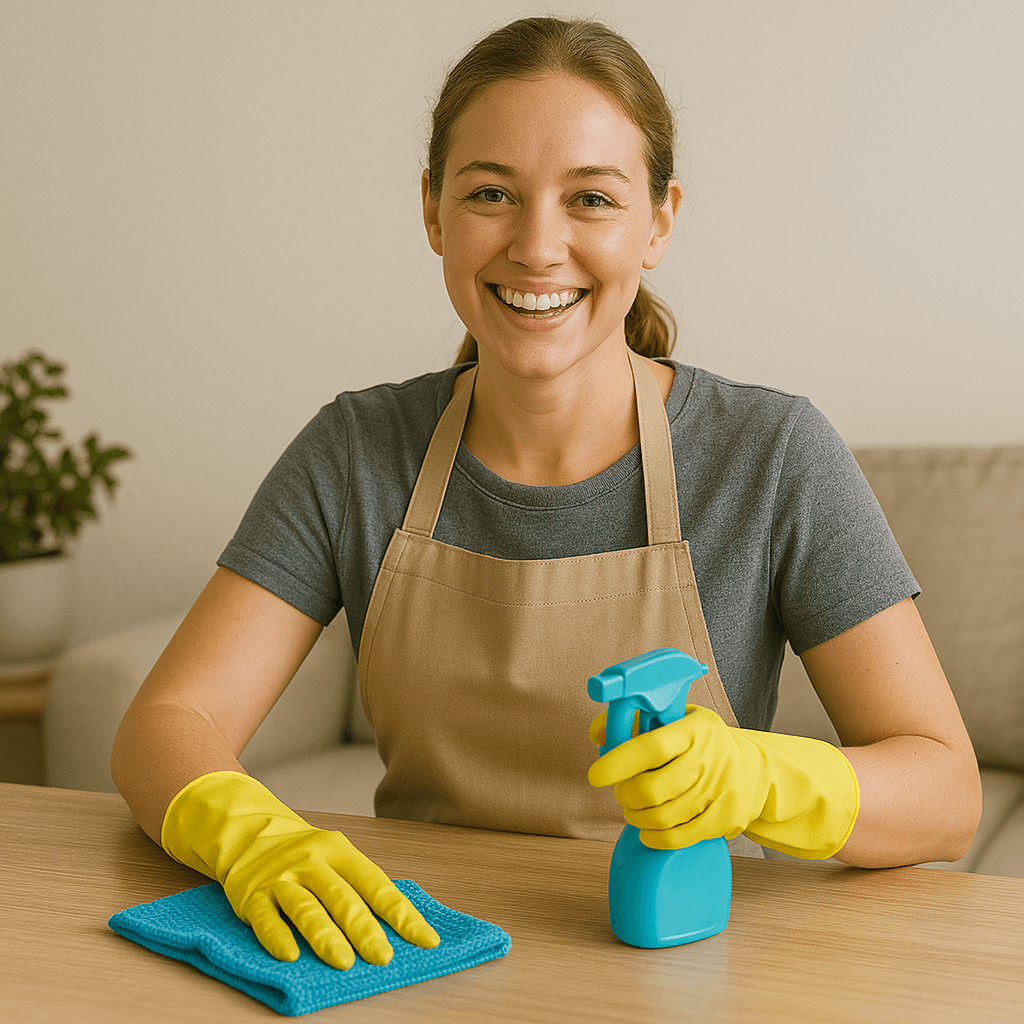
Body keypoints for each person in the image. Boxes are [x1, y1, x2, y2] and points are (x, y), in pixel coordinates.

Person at [111, 16, 981, 971]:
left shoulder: (770, 454)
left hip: (682, 963)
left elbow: (945, 798)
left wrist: (758, 779)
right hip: (415, 955)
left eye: (591, 199)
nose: (536, 246)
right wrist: (253, 837)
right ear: (435, 214)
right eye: (491, 193)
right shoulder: (357, 451)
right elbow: (166, 724)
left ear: (658, 220)